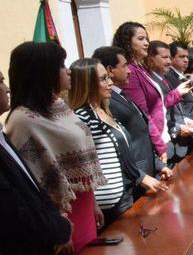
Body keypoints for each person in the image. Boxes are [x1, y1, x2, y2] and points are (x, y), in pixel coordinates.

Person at [5, 42, 106, 255]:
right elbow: (34, 179)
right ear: (43, 72)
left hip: (83, 206)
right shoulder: (23, 120)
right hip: (61, 215)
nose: (68, 70)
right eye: (61, 65)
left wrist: (93, 202)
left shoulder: (60, 107)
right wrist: (59, 223)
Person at [0, 67, 72, 255]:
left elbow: (32, 188)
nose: (6, 88)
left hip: (45, 250)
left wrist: (59, 223)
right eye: (0, 82)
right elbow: (13, 209)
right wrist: (60, 229)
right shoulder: (20, 120)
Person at [67, 58, 165, 225]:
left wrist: (142, 176)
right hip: (108, 205)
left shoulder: (105, 110)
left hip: (125, 195)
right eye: (103, 79)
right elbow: (83, 167)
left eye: (108, 77)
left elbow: (122, 152)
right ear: (87, 83)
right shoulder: (82, 117)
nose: (110, 82)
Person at [93, 46, 173, 185]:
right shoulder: (107, 103)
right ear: (110, 70)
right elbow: (121, 146)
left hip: (147, 171)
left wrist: (158, 165)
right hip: (135, 178)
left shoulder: (122, 95)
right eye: (124, 66)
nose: (129, 71)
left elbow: (142, 131)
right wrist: (140, 176)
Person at [113, 22, 178, 162]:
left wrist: (178, 94)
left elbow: (158, 105)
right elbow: (143, 114)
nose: (147, 43)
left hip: (162, 135)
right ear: (127, 42)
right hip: (153, 145)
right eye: (141, 39)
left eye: (146, 38)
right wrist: (160, 147)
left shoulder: (141, 69)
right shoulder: (130, 72)